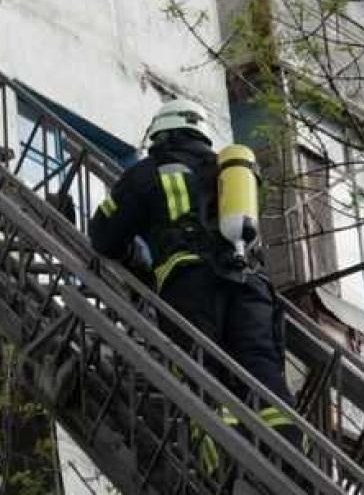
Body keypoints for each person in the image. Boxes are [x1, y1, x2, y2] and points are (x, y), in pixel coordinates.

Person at [88, 100, 300, 463]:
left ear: (161, 134)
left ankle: (222, 463)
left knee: (200, 367)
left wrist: (135, 260)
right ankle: (292, 458)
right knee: (260, 364)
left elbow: (104, 235)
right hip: (250, 283)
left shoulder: (148, 172)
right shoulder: (229, 173)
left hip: (191, 283)